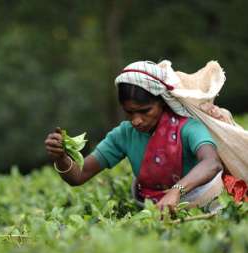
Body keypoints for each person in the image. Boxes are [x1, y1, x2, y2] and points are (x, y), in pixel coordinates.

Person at [44, 61, 224, 211]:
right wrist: (61, 157)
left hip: (204, 202)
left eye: (145, 111)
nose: (137, 120)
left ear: (162, 102)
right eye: (129, 112)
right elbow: (79, 176)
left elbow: (211, 163)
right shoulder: (124, 134)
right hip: (152, 210)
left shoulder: (188, 127)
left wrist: (175, 192)